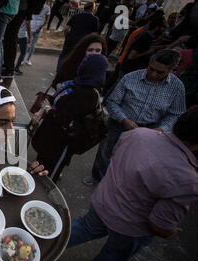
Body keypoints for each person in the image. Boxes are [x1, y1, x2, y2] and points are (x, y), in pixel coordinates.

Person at [68, 106, 198, 261]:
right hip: (128, 228)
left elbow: (116, 159)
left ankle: (48, 245)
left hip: (103, 202)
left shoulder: (139, 135)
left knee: (83, 228)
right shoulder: (187, 179)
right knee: (114, 253)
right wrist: (170, 232)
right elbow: (158, 224)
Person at [84, 49, 187, 185]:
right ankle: (98, 177)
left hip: (150, 131)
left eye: (160, 72)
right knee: (106, 152)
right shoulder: (130, 78)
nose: (154, 74)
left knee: (136, 160)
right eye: (151, 69)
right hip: (119, 124)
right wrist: (124, 120)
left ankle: (120, 184)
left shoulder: (177, 87)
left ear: (171, 70)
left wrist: (160, 129)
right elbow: (112, 102)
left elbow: (175, 114)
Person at [31, 54, 109, 183]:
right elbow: (60, 102)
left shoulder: (88, 94)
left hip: (60, 144)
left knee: (47, 176)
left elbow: (63, 119)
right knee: (39, 165)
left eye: (84, 63)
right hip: (51, 138)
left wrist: (47, 109)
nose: (80, 65)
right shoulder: (78, 83)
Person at [56, 1, 99, 71]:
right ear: (92, 8)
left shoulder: (76, 16)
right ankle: (71, 72)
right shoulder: (94, 19)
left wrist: (67, 36)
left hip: (71, 39)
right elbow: (94, 34)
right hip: (83, 42)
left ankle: (59, 71)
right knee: (78, 58)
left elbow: (66, 28)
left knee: (63, 56)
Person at [24, 1, 51, 67]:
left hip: (31, 25)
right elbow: (46, 21)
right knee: (32, 44)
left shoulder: (33, 4)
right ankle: (28, 60)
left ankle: (23, 59)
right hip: (38, 27)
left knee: (27, 43)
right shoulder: (47, 7)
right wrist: (40, 28)